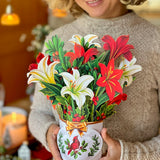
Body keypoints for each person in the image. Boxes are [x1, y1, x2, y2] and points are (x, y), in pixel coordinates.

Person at [29, 0, 160, 159]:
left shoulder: (155, 41)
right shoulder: (56, 39)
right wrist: (49, 132)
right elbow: (38, 112)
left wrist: (126, 154)